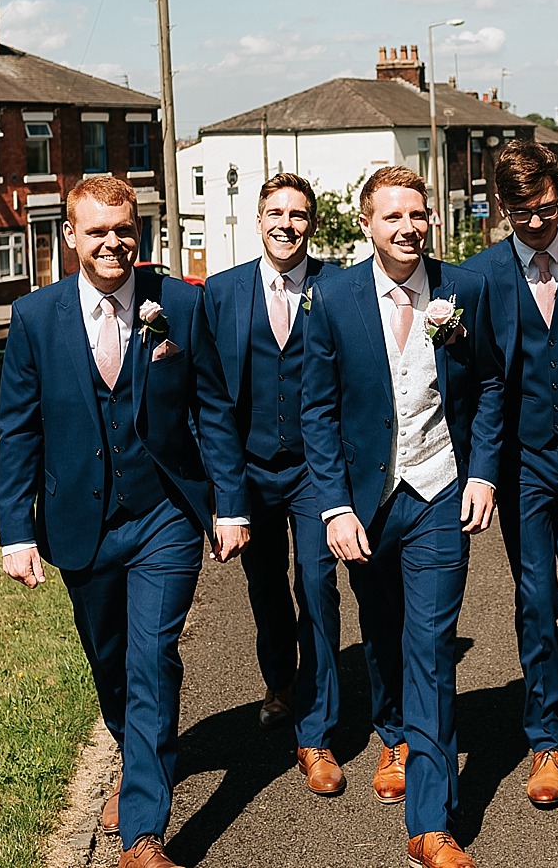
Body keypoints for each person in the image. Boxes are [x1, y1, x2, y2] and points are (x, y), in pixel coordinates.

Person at [0, 175, 249, 868]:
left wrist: (230, 503)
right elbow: (18, 432)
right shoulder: (35, 317)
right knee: (108, 658)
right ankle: (139, 748)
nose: (113, 242)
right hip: (81, 520)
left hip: (164, 511)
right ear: (71, 236)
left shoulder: (182, 305)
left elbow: (216, 410)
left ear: (140, 231)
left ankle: (143, 833)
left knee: (150, 659)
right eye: (97, 231)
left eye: (124, 229)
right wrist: (16, 531)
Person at [300, 166, 504, 868]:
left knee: (431, 648)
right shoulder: (329, 298)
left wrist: (481, 471)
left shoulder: (464, 289)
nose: (409, 227)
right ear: (366, 224)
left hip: (440, 491)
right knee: (380, 629)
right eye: (393, 217)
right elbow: (317, 409)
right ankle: (393, 730)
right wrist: (332, 505)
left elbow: (489, 382)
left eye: (418, 214)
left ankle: (432, 822)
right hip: (363, 498)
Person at [463, 139, 558, 808]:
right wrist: (480, 471)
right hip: (522, 462)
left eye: (547, 208)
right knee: (533, 599)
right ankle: (547, 738)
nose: (537, 222)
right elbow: (474, 383)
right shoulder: (481, 276)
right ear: (503, 207)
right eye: (522, 212)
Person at [199, 172, 345, 795]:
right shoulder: (222, 292)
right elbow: (206, 395)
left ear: (313, 224)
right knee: (264, 588)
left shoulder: (339, 287)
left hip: (317, 469)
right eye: (276, 213)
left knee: (317, 585)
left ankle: (317, 731)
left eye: (300, 215)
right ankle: (279, 682)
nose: (287, 225)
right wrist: (222, 492)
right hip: (251, 471)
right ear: (258, 221)